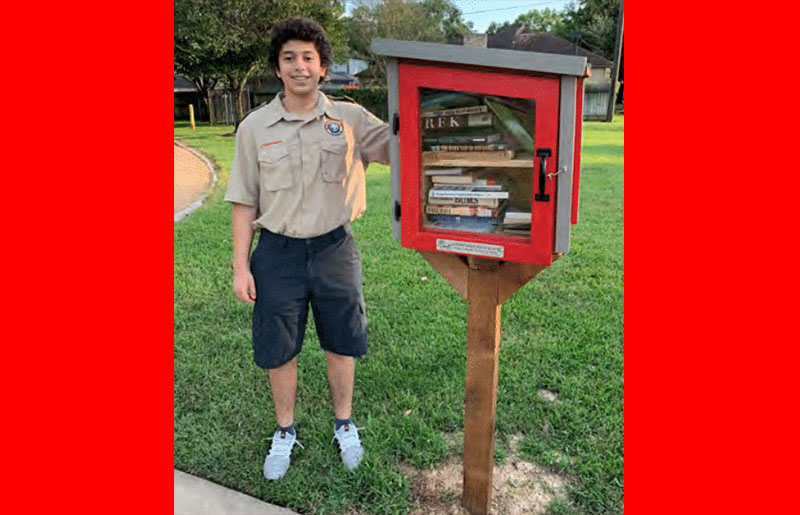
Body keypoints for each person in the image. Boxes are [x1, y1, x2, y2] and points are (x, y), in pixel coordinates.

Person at [224, 17, 389, 481]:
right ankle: (285, 431)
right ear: (277, 68)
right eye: (289, 58)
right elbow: (243, 200)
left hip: (335, 249)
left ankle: (344, 422)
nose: (299, 66)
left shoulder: (351, 119)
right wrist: (241, 267)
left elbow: (400, 146)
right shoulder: (255, 127)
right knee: (280, 350)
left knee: (342, 342)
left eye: (308, 58)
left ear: (323, 68)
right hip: (276, 254)